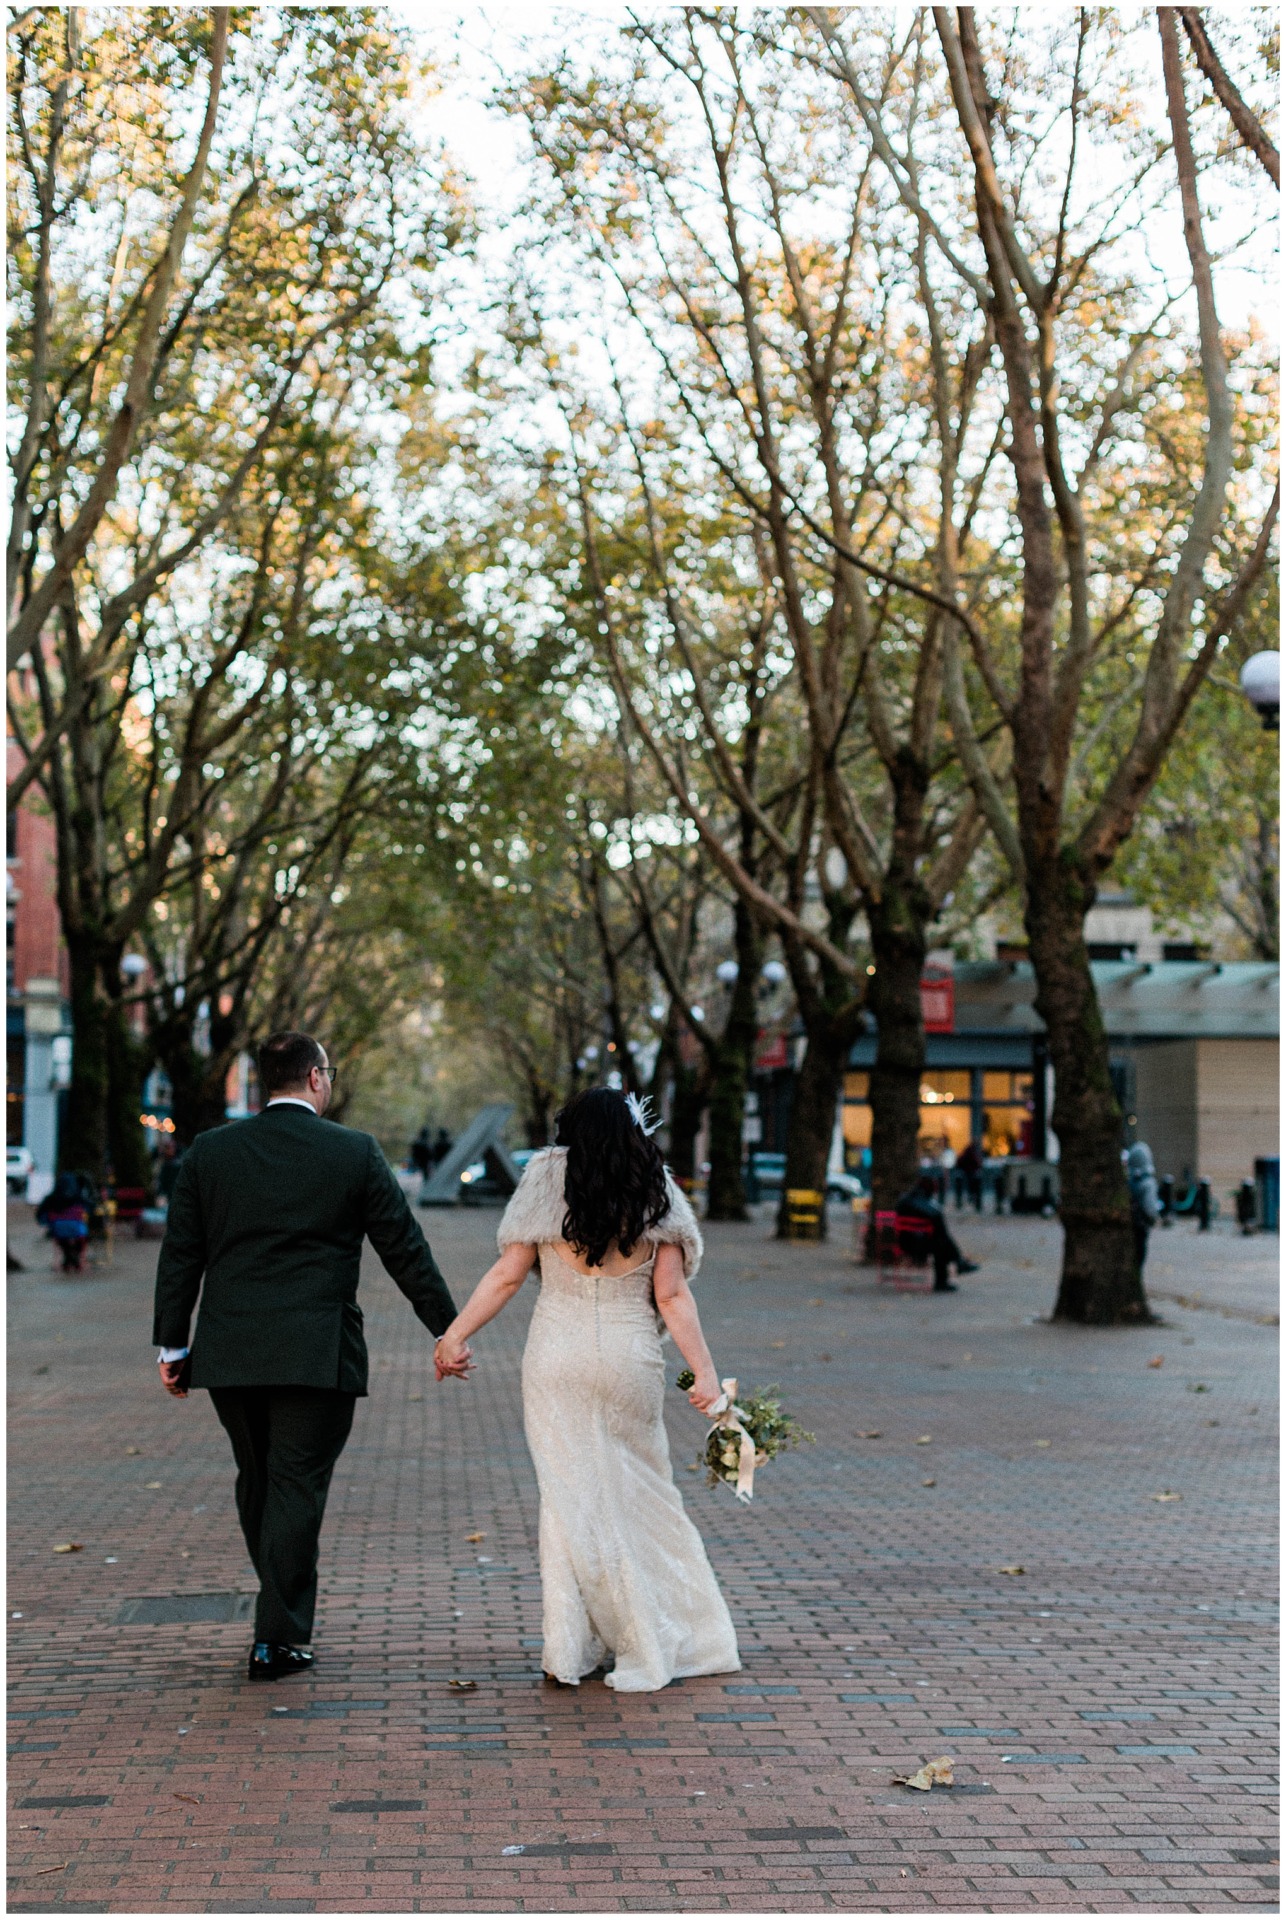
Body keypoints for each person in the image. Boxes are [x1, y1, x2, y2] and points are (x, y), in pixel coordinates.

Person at [153, 1030, 462, 1683]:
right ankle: (279, 1638)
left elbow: (182, 1253)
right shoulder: (353, 1152)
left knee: (258, 1479)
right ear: (317, 1078)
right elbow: (403, 1247)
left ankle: (278, 1610)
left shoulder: (211, 1153)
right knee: (292, 1485)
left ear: (267, 1082)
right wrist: (448, 1328)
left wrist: (173, 1344)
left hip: (230, 1352)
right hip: (315, 1352)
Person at [434, 1086, 741, 1693]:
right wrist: (704, 1373)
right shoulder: (656, 1190)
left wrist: (453, 1336)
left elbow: (507, 1275)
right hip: (630, 1359)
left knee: (570, 1498)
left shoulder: (545, 1183)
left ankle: (570, 1648)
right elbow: (672, 1297)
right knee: (644, 1493)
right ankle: (657, 1632)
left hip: (556, 1358)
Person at [895, 1172, 981, 1292]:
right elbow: (937, 1216)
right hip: (915, 1244)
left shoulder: (907, 1200)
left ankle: (958, 1264)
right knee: (941, 1243)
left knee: (941, 1242)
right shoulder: (920, 1202)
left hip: (906, 1241)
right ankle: (957, 1264)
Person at [36, 1172, 92, 1273]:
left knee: (62, 1237)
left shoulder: (50, 1198)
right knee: (82, 1235)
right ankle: (77, 1259)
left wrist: (48, 1223)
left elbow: (41, 1217)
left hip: (57, 1231)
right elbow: (91, 1209)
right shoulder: (78, 1198)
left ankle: (67, 1258)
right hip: (78, 1231)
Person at [1126, 1141, 1160, 1274]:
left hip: (1130, 1225)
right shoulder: (1148, 1183)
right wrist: (1153, 1219)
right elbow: (1150, 1208)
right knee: (1139, 1255)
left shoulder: (1129, 1182)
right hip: (1141, 1226)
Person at [956, 1139, 984, 1211]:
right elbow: (976, 1163)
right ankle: (975, 1201)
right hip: (970, 1173)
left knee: (972, 1185)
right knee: (973, 1185)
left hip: (968, 1173)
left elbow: (959, 1161)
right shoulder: (972, 1152)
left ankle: (972, 1199)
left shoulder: (968, 1151)